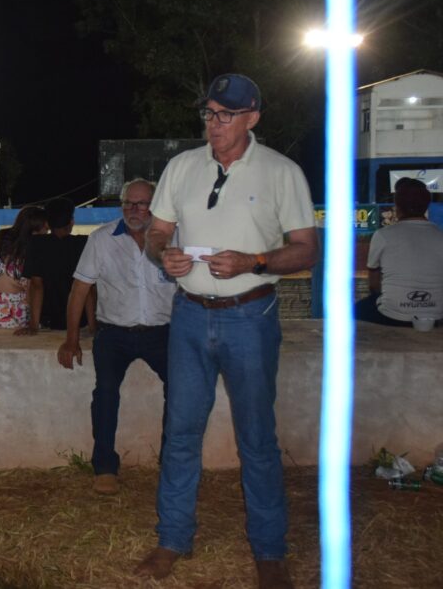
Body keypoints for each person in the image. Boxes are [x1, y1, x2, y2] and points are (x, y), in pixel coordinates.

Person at [136, 74, 317, 589]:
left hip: (250, 317)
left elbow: (306, 249)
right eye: (209, 114)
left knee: (258, 438)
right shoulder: (182, 167)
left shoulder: (283, 172)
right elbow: (157, 232)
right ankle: (172, 539)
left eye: (225, 115)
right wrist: (162, 254)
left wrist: (255, 260)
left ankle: (269, 552)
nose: (213, 124)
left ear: (252, 118)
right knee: (180, 432)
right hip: (189, 314)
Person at [57, 179, 175, 495]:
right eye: (128, 203)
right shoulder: (101, 240)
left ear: (156, 205)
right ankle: (105, 467)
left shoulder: (174, 239)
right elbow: (79, 290)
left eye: (142, 203)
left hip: (163, 333)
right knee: (106, 393)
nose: (134, 210)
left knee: (180, 392)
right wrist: (71, 339)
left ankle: (173, 463)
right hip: (113, 334)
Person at [355, 178, 443, 327]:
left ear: (397, 207)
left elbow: (374, 282)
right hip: (436, 315)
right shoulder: (440, 236)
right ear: (426, 206)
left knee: (354, 312)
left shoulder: (383, 235)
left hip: (392, 315)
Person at [17, 197, 92, 335]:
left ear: (48, 223)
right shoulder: (83, 243)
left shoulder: (36, 244)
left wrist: (33, 326)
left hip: (49, 321)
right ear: (71, 221)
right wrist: (93, 326)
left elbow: (36, 285)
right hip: (80, 321)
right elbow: (88, 288)